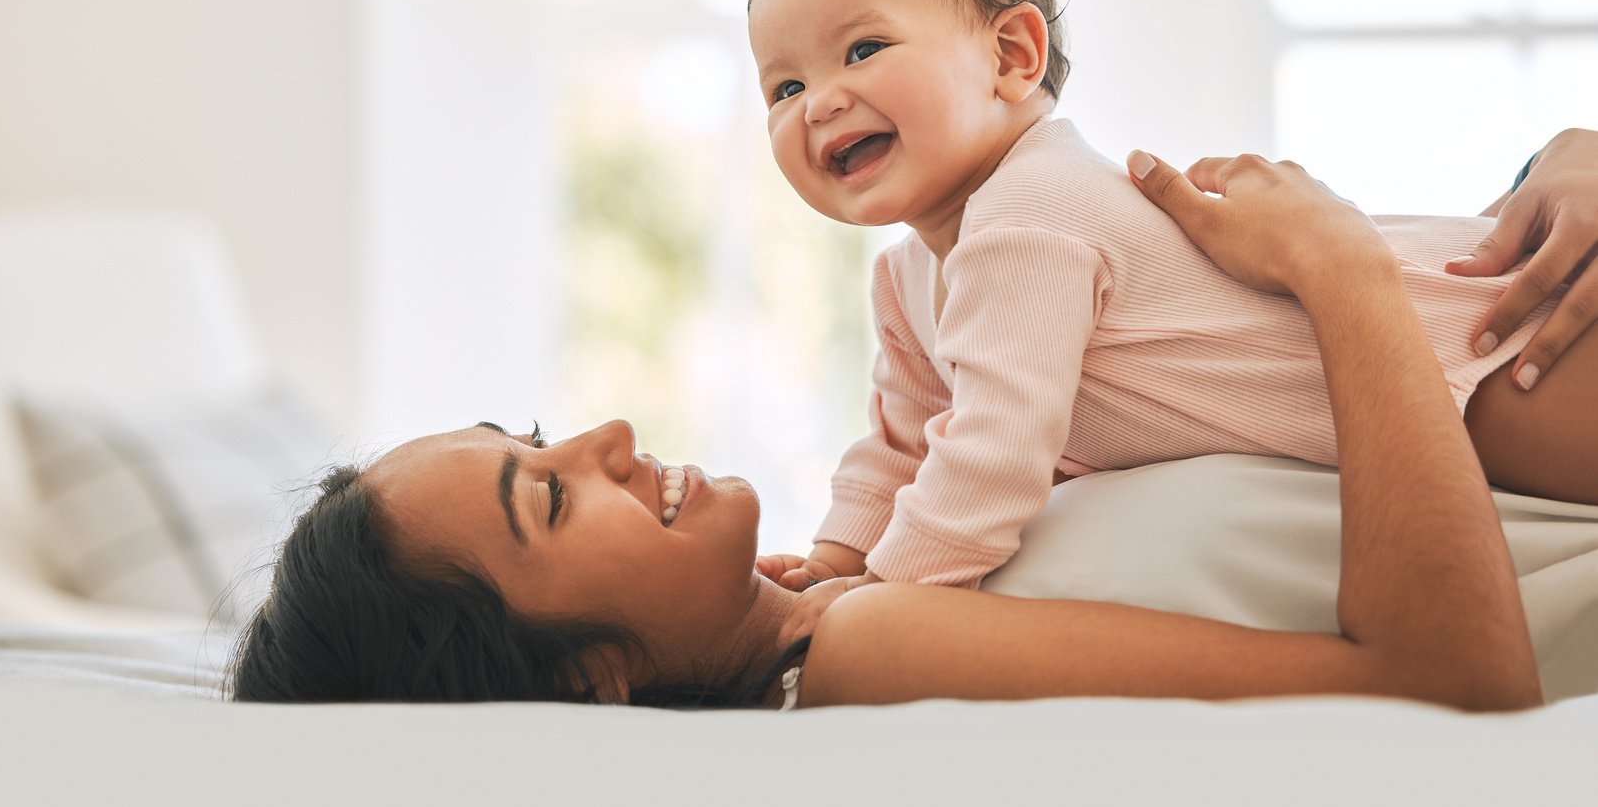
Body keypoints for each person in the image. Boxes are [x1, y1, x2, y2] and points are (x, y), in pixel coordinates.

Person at [230, 151, 1545, 711]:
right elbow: (1449, 684)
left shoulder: (880, 573)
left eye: (546, 436)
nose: (613, 432)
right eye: (555, 497)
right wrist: (1340, 274)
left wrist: (1549, 168)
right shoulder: (870, 643)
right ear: (590, 681)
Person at [745, 0, 1598, 642]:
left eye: (863, 50)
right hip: (1431, 383)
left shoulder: (1030, 213)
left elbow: (990, 454)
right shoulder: (908, 277)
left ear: (1012, 57)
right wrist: (835, 555)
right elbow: (902, 443)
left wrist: (884, 594)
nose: (819, 103)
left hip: (1490, 346)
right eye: (784, 88)